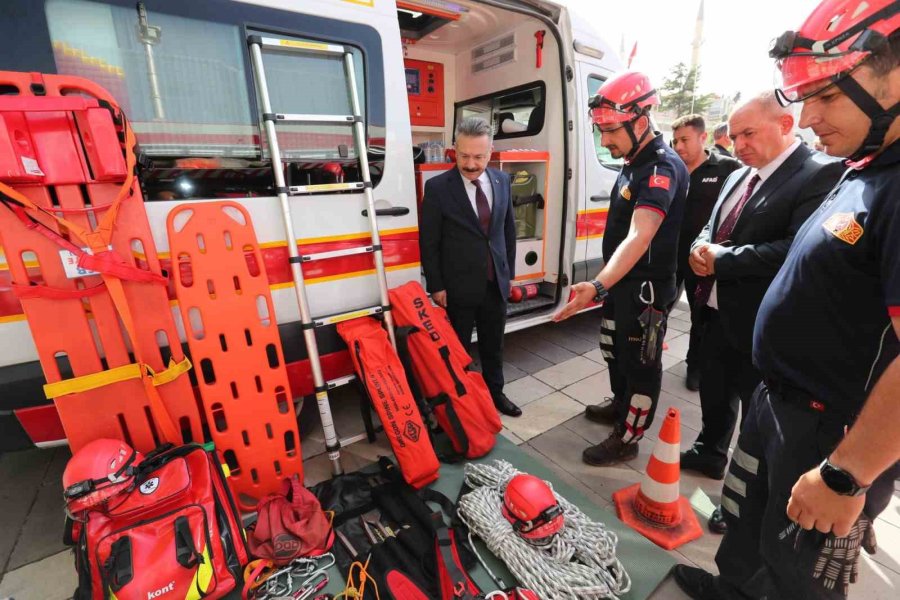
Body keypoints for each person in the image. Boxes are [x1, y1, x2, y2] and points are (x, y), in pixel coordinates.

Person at [672, 1, 899, 598]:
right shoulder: (863, 167)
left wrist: (846, 477)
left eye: (826, 95)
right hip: (778, 402)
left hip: (830, 431)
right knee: (748, 527)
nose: (809, 115)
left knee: (798, 574)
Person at [684, 92, 843, 534]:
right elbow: (712, 225)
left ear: (786, 124)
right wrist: (701, 244)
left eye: (748, 133)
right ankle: (709, 451)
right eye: (734, 136)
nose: (738, 145)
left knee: (756, 422)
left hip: (762, 326)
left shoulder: (818, 174)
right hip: (715, 314)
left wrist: (723, 260)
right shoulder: (742, 175)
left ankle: (740, 499)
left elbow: (795, 249)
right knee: (714, 393)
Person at [553, 71, 688, 465]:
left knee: (641, 364)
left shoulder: (661, 168)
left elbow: (640, 236)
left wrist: (596, 284)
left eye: (611, 130)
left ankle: (628, 437)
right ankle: (620, 404)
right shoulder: (634, 161)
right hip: (622, 285)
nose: (605, 140)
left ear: (641, 121)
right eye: (602, 131)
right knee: (615, 352)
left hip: (644, 291)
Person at [419, 116, 521, 417]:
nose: (471, 163)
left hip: (495, 283)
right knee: (457, 350)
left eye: (478, 156)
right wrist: (436, 285)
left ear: (490, 153)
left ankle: (495, 393)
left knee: (494, 345)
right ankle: (461, 404)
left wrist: (509, 275)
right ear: (454, 150)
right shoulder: (438, 188)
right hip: (457, 287)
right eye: (464, 155)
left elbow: (508, 231)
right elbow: (429, 242)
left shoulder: (501, 180)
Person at [670, 114, 741, 391]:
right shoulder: (672, 167)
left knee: (699, 316)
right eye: (675, 141)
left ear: (703, 137)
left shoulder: (727, 168)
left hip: (700, 258)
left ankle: (694, 366)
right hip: (669, 255)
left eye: (684, 140)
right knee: (657, 307)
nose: (678, 147)